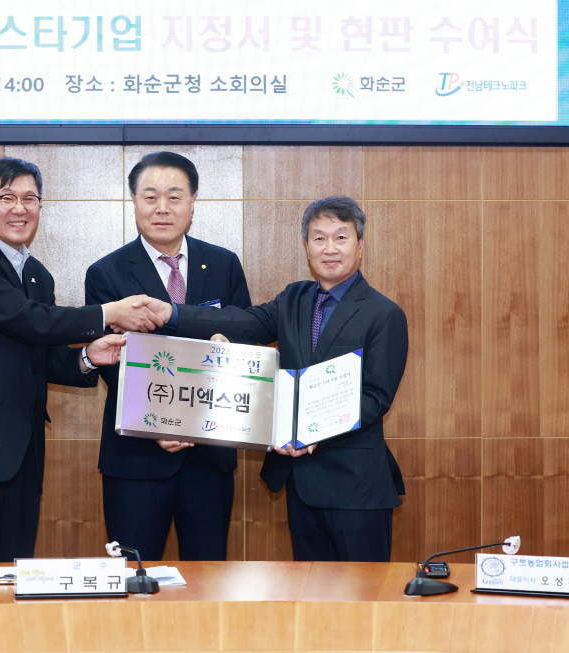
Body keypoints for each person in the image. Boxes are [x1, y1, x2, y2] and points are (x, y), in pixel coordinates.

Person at [0, 157, 164, 563]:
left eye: (30, 199)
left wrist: (88, 356)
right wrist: (109, 313)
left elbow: (41, 356)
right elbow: (27, 319)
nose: (20, 209)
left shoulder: (37, 274)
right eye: (7, 197)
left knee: (8, 572)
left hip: (22, 451)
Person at [142, 196, 408, 562]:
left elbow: (375, 398)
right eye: (319, 238)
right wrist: (172, 313)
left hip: (357, 486)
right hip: (300, 480)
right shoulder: (294, 298)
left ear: (360, 245)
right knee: (311, 591)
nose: (329, 248)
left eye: (341, 238)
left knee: (363, 592)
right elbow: (243, 322)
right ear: (306, 246)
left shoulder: (384, 314)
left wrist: (311, 429)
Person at [85, 151, 252, 561]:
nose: (162, 208)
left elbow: (245, 335)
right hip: (136, 458)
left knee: (209, 574)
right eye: (150, 196)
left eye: (174, 197)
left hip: (209, 454)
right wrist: (155, 423)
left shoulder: (224, 265)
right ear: (134, 202)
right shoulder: (106, 273)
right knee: (132, 573)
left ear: (192, 203)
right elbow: (111, 363)